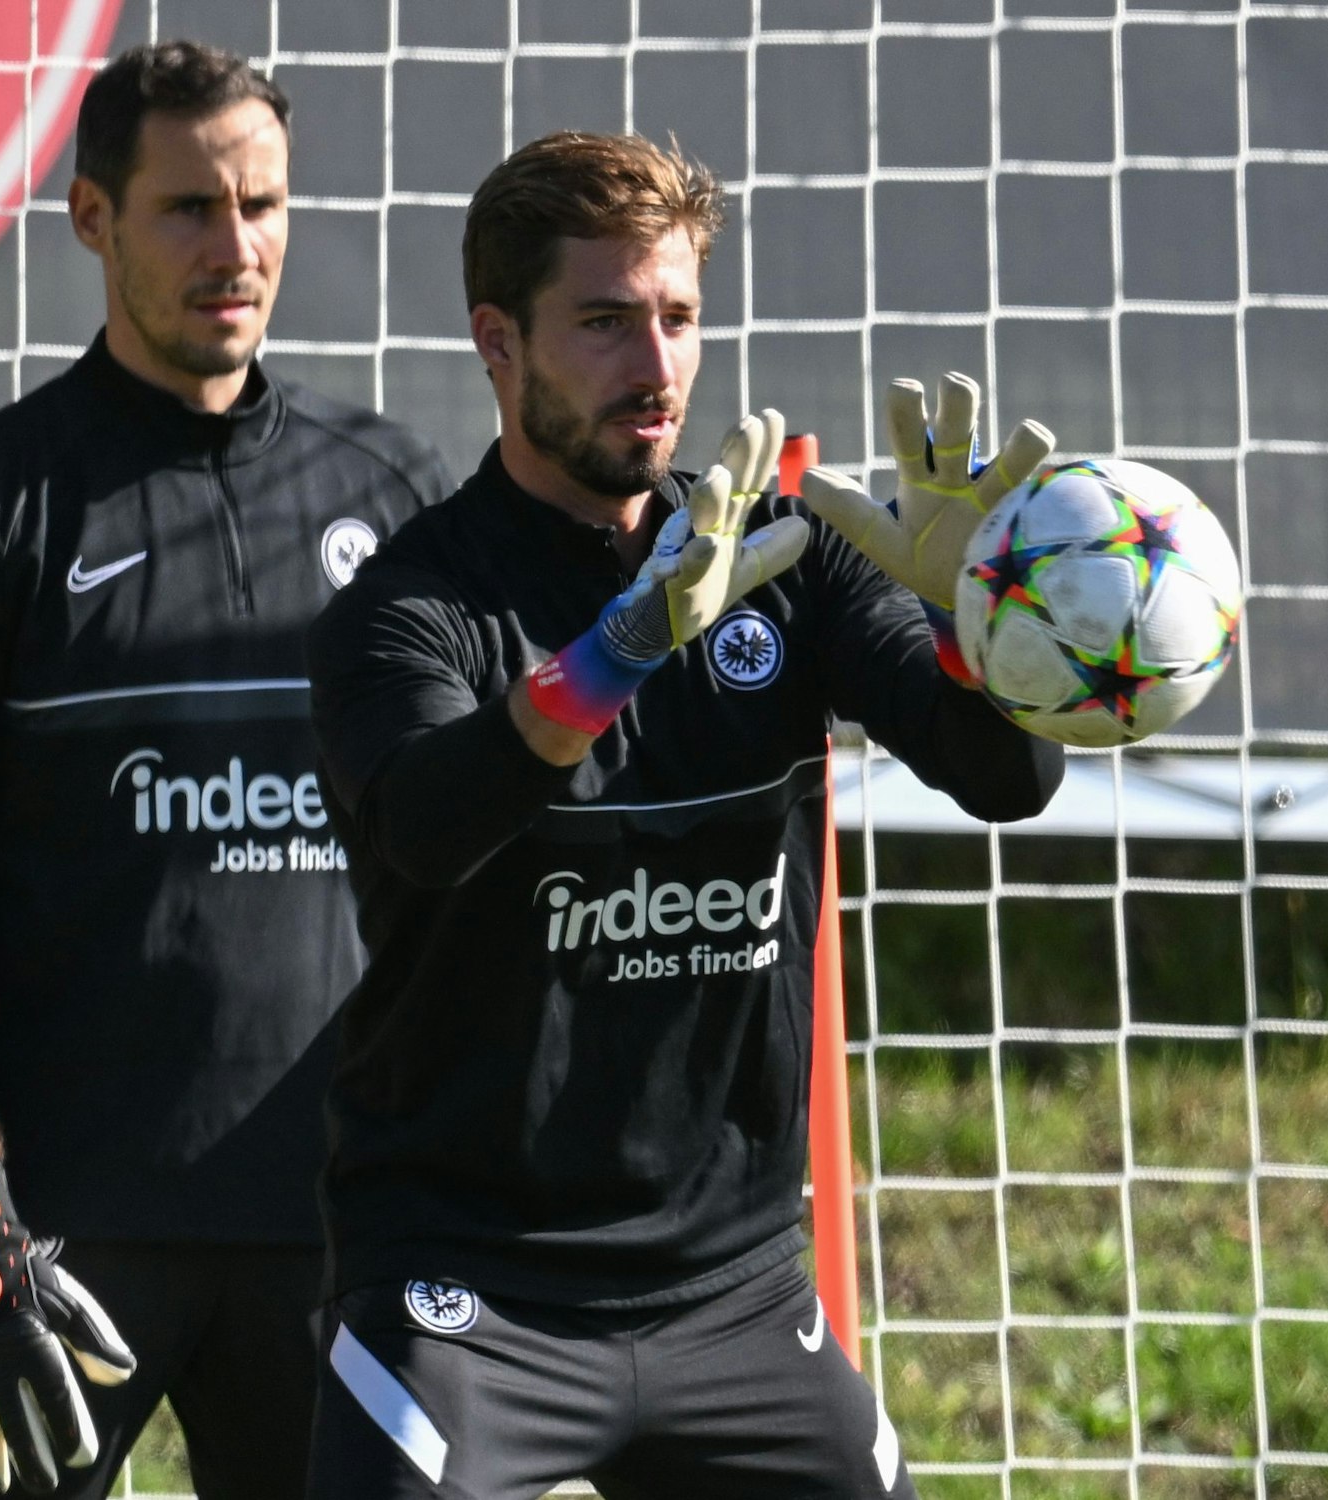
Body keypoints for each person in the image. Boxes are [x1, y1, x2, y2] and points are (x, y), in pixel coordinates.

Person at [302, 130, 1066, 1499]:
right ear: (498, 339)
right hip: (473, 1293)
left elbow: (1006, 780)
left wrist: (981, 624)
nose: (654, 370)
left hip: (732, 1291)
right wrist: (615, 655)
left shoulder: (792, 563)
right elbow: (426, 825)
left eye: (677, 318)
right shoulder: (410, 608)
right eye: (602, 323)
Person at [0, 40, 453, 1499]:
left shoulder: (400, 493)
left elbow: (465, 854)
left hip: (340, 1222)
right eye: (188, 208)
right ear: (93, 219)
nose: (234, 249)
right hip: (62, 1233)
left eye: (263, 205)